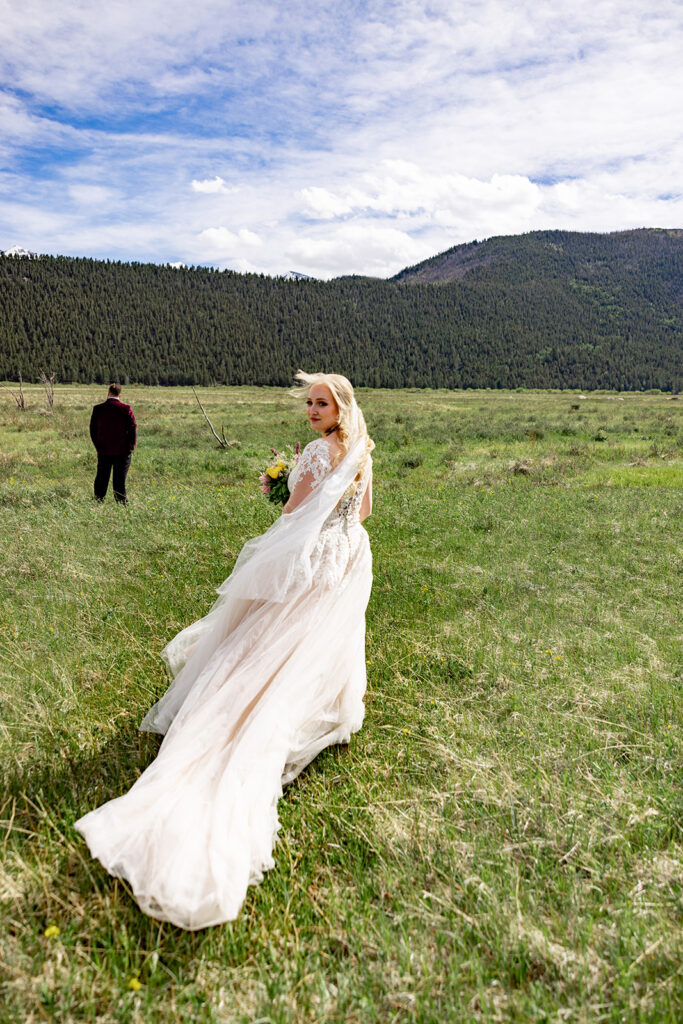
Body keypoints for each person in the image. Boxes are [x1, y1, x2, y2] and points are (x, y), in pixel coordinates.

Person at [75, 372, 374, 930]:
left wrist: (281, 503)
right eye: (308, 402)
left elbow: (294, 515)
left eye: (320, 403)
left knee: (269, 639)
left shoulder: (314, 452)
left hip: (315, 558)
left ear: (340, 407)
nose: (311, 410)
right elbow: (362, 515)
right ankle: (319, 705)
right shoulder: (362, 449)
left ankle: (239, 714)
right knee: (316, 640)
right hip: (350, 555)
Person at [89, 384, 137, 504]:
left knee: (101, 478)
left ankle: (98, 501)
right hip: (123, 451)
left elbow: (92, 429)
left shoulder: (98, 409)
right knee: (119, 480)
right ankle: (122, 504)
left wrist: (97, 445)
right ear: (120, 394)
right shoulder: (126, 409)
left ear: (108, 393)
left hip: (103, 450)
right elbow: (133, 428)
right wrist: (131, 446)